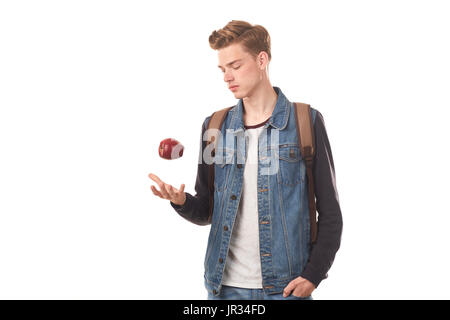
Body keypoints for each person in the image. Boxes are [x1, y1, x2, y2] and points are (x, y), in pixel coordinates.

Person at [148, 20, 343, 300]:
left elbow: (331, 213)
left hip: (286, 289)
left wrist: (313, 275)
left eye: (236, 66)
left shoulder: (306, 122)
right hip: (223, 288)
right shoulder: (213, 127)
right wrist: (180, 201)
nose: (227, 77)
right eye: (222, 69)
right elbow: (207, 210)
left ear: (262, 59)